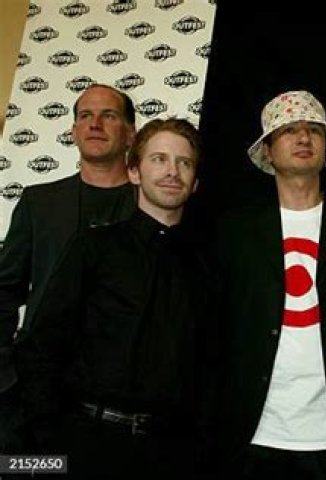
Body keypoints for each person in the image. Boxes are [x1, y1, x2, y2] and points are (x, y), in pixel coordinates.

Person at [15, 117, 214, 479]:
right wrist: (49, 440)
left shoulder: (207, 267)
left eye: (184, 163)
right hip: (84, 446)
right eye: (159, 159)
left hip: (172, 456)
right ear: (134, 172)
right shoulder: (92, 248)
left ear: (196, 182)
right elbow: (42, 346)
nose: (172, 171)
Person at [213, 90, 326, 479]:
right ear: (268, 150)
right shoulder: (234, 231)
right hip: (249, 436)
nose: (304, 138)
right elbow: (213, 335)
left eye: (314, 130)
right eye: (289, 130)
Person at [0, 84, 137, 451]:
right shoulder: (39, 203)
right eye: (85, 116)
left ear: (130, 133)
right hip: (35, 397)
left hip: (118, 404)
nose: (95, 124)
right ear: (74, 131)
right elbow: (4, 290)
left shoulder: (152, 204)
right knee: (28, 471)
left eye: (108, 115)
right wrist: (6, 373)